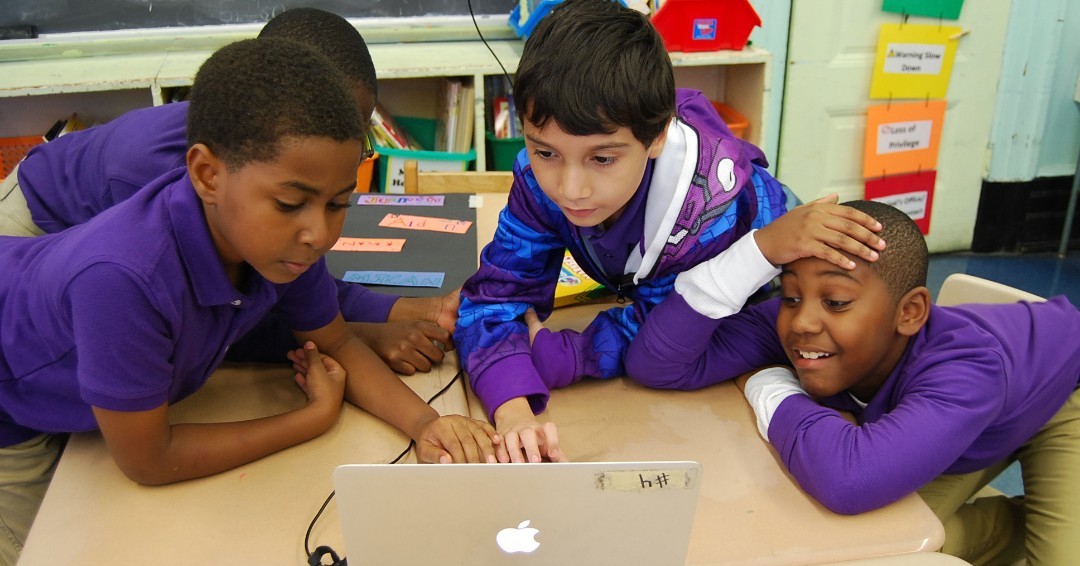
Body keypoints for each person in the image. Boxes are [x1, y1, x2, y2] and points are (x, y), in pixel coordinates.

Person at [0, 38, 503, 566]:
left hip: (81, 388)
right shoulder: (123, 279)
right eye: (290, 203)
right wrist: (312, 418)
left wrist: (426, 424)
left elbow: (333, 338)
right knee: (42, 546)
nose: (318, 233)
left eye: (337, 204)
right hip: (14, 405)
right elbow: (149, 458)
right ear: (206, 174)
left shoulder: (276, 244)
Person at [0, 7, 456, 375]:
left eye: (358, 129)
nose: (345, 150)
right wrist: (362, 336)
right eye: (291, 202)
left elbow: (292, 284)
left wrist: (396, 307)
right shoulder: (154, 184)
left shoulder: (251, 173)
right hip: (31, 234)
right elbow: (213, 328)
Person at [626, 199, 1080, 565]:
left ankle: (1033, 520)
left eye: (837, 301)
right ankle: (1022, 520)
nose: (802, 321)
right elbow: (657, 365)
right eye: (790, 296)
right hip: (984, 414)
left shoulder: (968, 368)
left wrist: (769, 383)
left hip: (1063, 396)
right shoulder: (799, 321)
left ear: (910, 313)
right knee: (872, 546)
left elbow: (850, 479)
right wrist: (757, 251)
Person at [454, 0, 790, 463]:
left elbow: (662, 332)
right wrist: (512, 409)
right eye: (545, 151)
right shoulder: (539, 182)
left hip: (773, 309)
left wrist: (568, 355)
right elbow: (492, 299)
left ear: (656, 138)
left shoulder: (708, 210)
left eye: (603, 158)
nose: (570, 189)